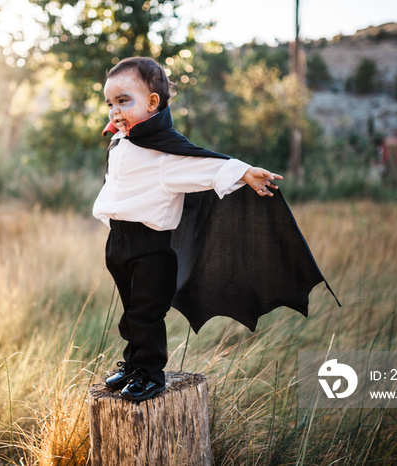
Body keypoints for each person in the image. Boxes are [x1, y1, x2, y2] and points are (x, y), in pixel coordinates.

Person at [92, 57, 285, 401]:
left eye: (123, 101)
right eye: (110, 103)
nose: (114, 111)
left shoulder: (166, 155)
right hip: (118, 241)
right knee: (131, 313)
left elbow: (206, 167)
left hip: (151, 248)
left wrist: (242, 172)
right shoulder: (122, 143)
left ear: (152, 102)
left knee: (146, 313)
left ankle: (151, 374)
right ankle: (133, 364)